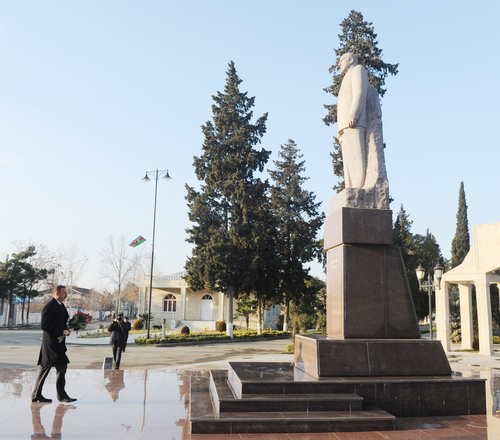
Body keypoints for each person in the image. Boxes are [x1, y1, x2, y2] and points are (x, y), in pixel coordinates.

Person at [31, 285, 77, 403]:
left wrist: (67, 329)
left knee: (47, 368)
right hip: (51, 344)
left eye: (66, 293)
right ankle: (61, 395)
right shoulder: (50, 305)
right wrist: (61, 331)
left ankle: (36, 395)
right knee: (60, 367)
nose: (66, 295)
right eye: (64, 293)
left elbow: (61, 323)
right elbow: (45, 325)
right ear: (57, 293)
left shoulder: (60, 306)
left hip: (58, 342)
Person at [337, 52, 369, 189]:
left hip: (353, 121)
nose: (339, 63)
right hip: (345, 125)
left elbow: (359, 93)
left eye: (341, 60)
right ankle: (350, 185)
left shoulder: (358, 70)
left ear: (350, 59)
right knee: (348, 158)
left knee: (356, 153)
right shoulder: (346, 77)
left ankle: (358, 183)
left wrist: (353, 115)